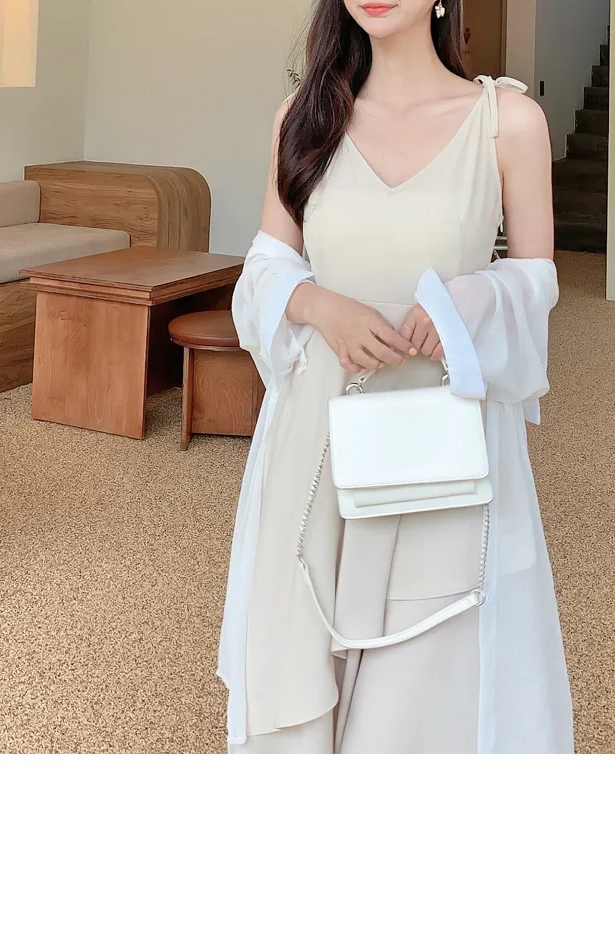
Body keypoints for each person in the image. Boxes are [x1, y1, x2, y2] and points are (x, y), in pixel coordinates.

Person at [218, 0, 573, 754]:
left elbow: (536, 277)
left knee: (426, 667)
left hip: (438, 432)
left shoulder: (507, 121)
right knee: (300, 650)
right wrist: (318, 305)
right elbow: (265, 267)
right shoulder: (303, 117)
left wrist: (468, 301)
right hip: (319, 429)